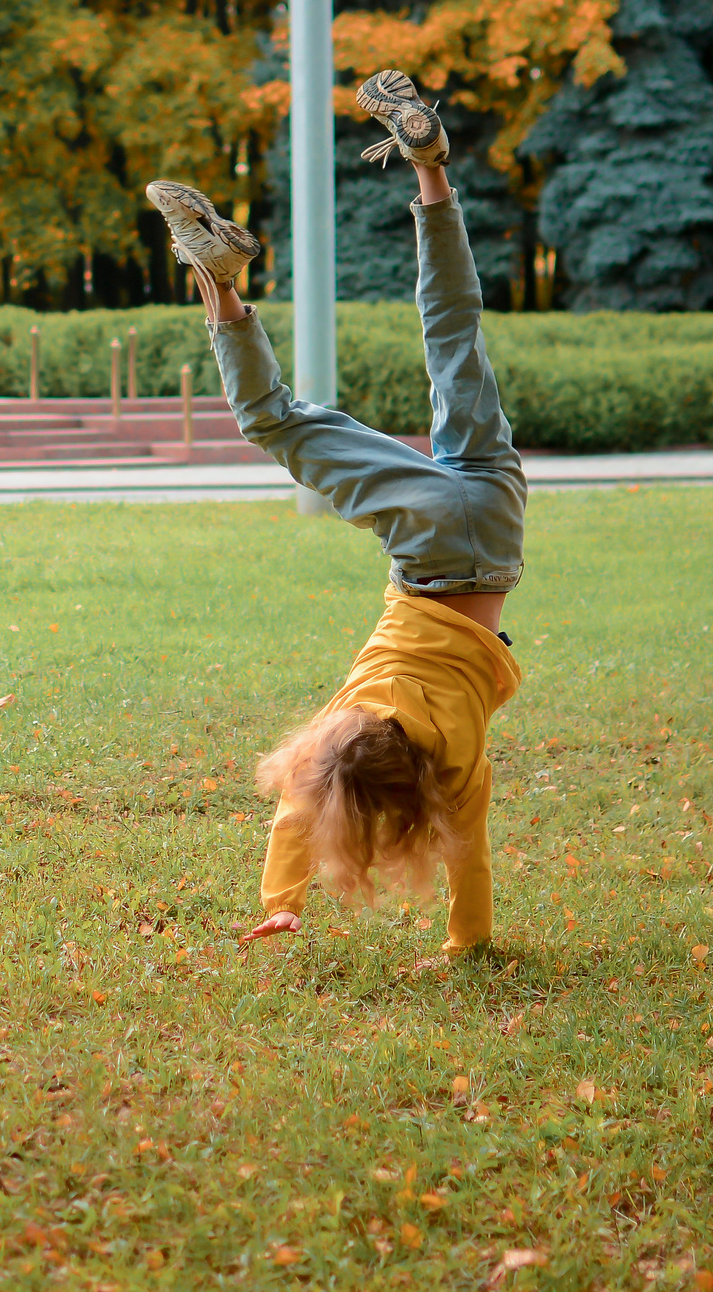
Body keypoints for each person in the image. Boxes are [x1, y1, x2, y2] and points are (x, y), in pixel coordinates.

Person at [144, 70, 525, 954]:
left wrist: (465, 943)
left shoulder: (455, 762)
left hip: (496, 514)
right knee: (272, 419)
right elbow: (300, 796)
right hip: (426, 540)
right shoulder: (353, 708)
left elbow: (468, 857)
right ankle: (222, 282)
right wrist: (278, 893)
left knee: (454, 334)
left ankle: (430, 166)